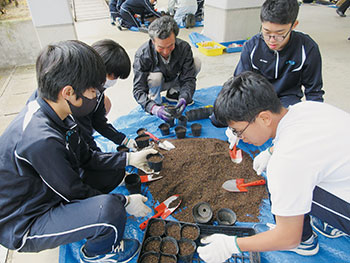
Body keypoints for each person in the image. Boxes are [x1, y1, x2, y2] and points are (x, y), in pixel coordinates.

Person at [0, 40, 158, 263]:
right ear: (68, 92)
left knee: (112, 173)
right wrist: (125, 203)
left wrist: (129, 157)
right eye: (93, 90)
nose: (96, 97)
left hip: (45, 190)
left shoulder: (58, 112)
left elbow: (87, 157)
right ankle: (99, 251)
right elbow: (74, 192)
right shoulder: (40, 139)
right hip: (25, 219)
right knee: (110, 209)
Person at [197, 71, 350, 263]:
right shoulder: (306, 108)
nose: (239, 138)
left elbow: (288, 237)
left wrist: (233, 245)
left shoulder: (286, 161)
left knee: (285, 189)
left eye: (239, 131)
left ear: (264, 118)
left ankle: (306, 243)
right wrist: (270, 151)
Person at [234, 0, 324, 108]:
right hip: (256, 98)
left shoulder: (307, 48)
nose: (272, 40)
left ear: (294, 25)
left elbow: (314, 91)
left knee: (284, 121)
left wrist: (316, 115)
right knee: (221, 117)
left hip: (288, 100)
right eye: (266, 32)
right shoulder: (252, 46)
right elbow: (239, 84)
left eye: (280, 33)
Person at [133, 15, 201, 121]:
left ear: (175, 38)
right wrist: (152, 108)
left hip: (175, 78)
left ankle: (174, 93)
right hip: (157, 83)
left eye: (170, 46)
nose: (166, 51)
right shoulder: (143, 54)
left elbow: (189, 79)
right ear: (153, 41)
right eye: (160, 47)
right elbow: (138, 89)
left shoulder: (184, 48)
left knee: (196, 63)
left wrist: (185, 97)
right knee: (156, 77)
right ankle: (155, 102)